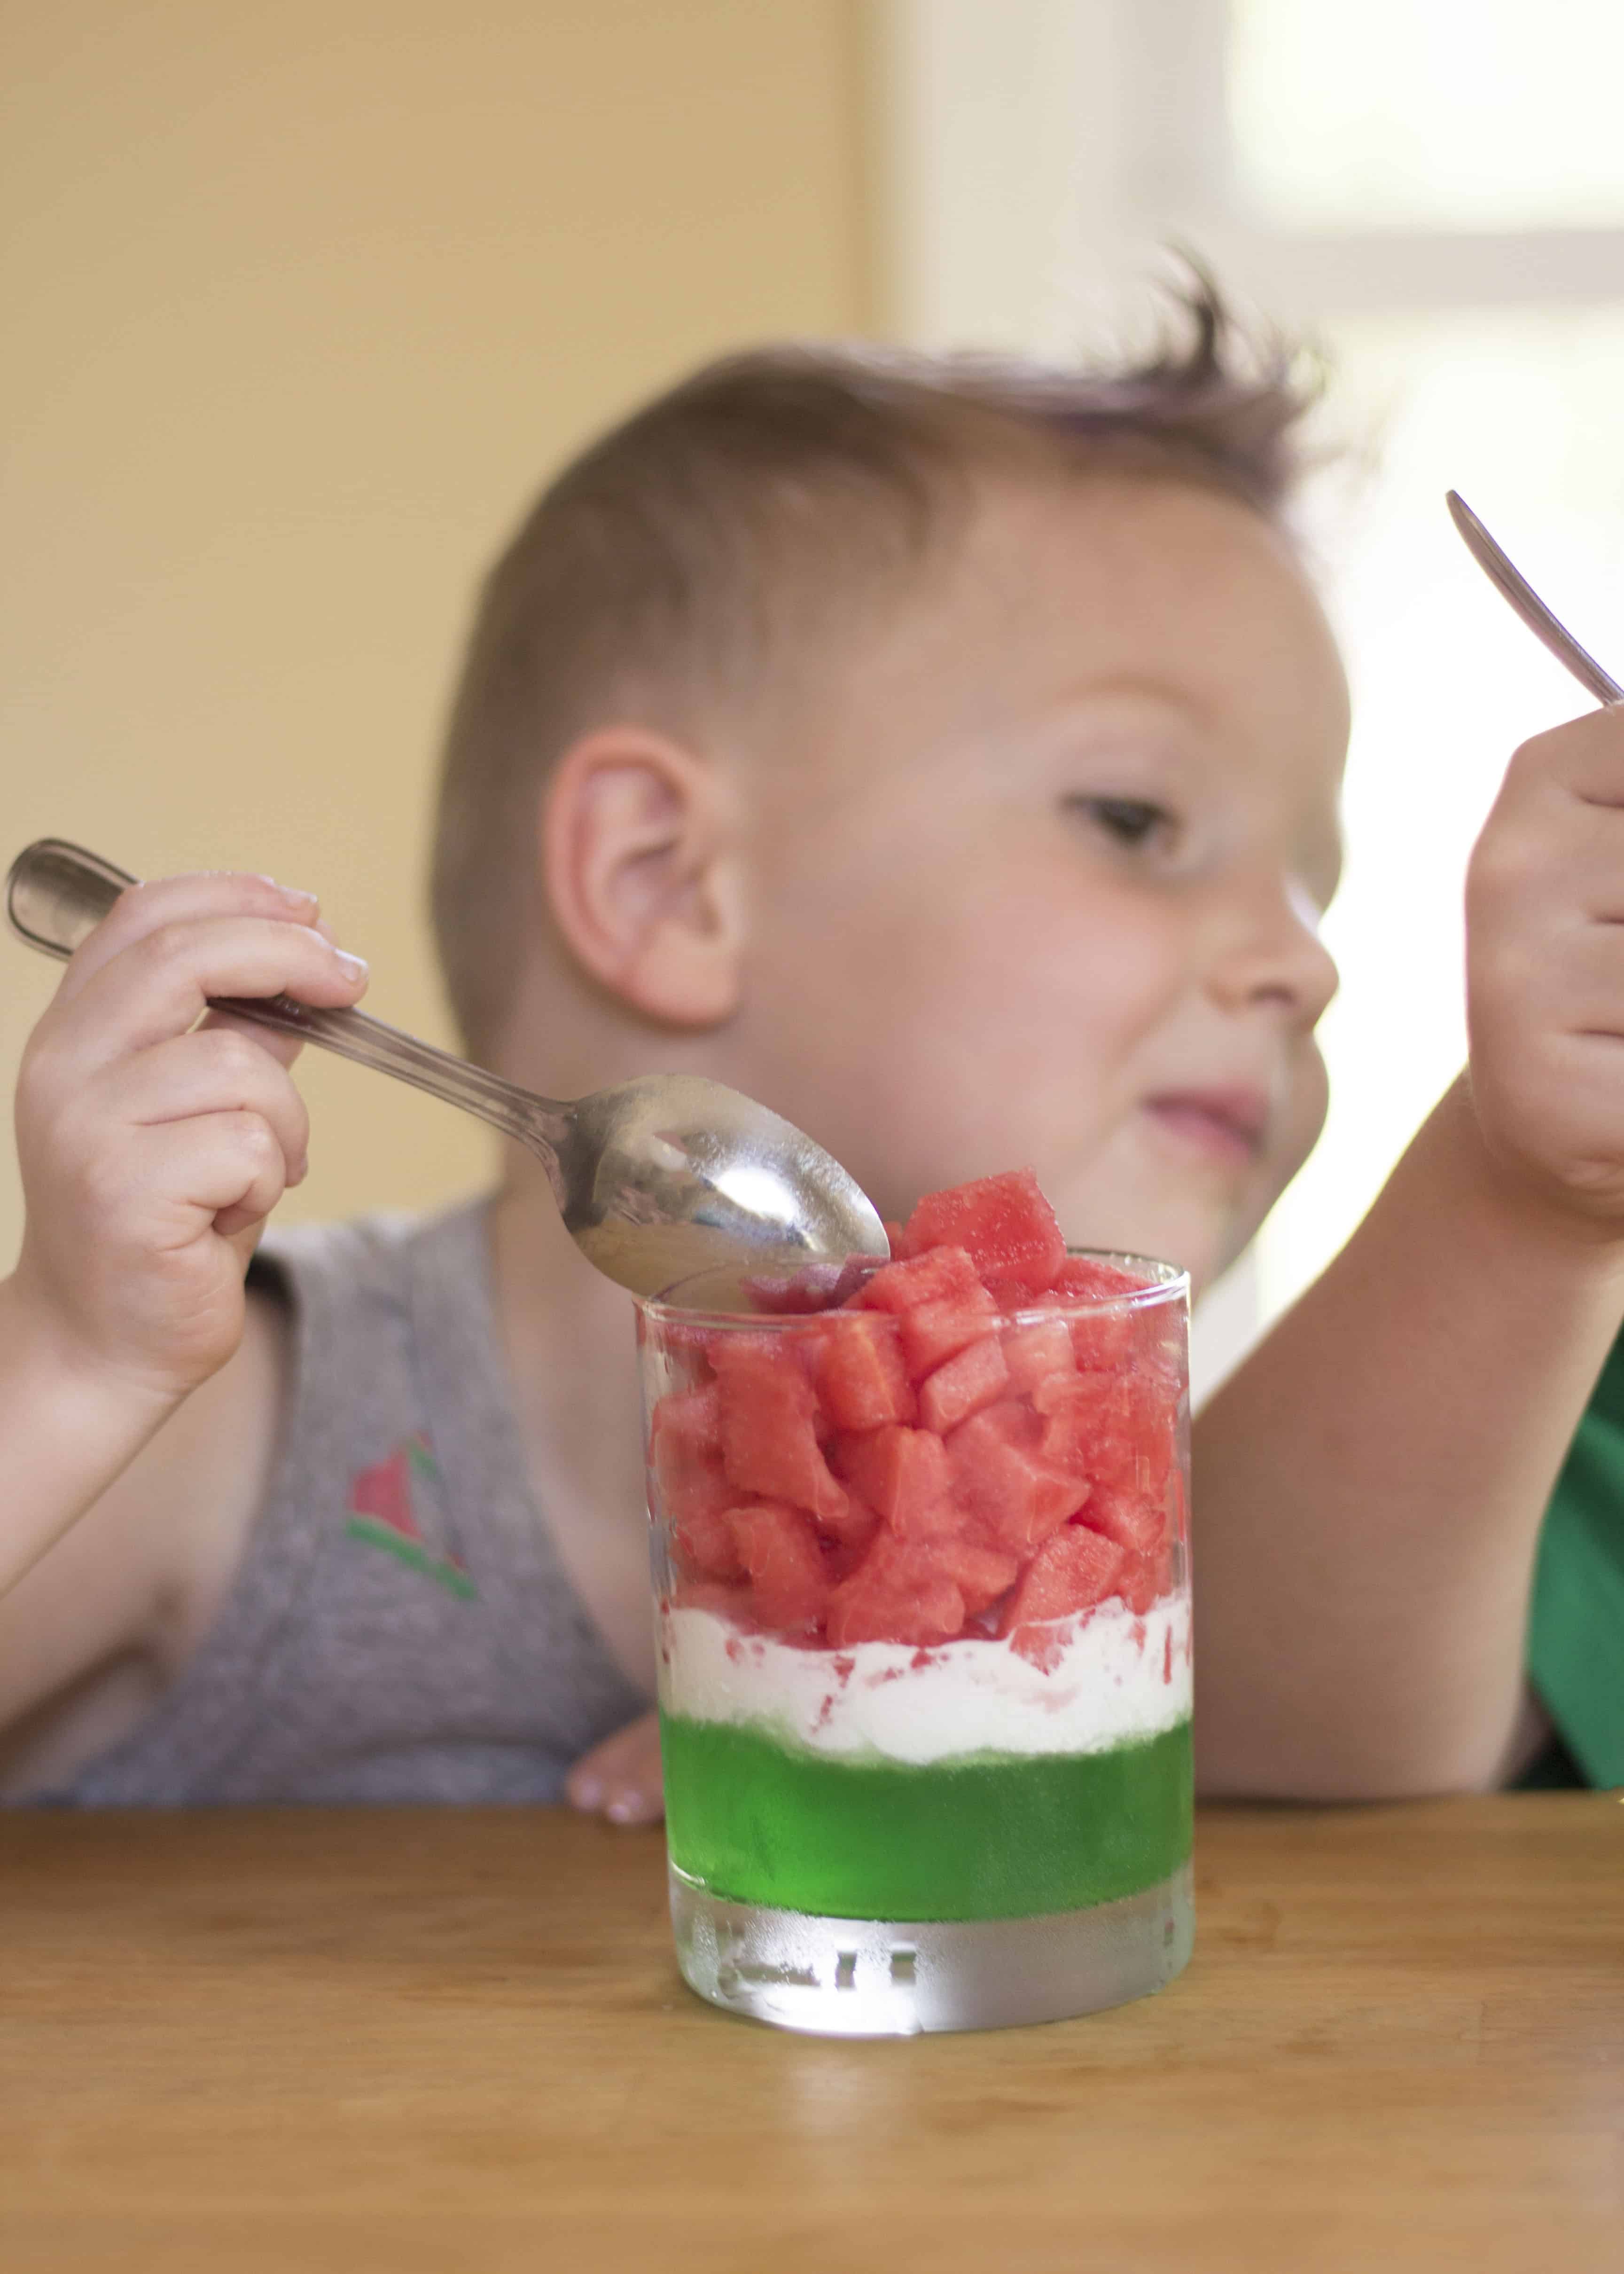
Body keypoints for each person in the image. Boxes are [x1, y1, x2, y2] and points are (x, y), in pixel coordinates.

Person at [2, 282, 1619, 1812]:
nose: (1301, 966)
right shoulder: (246, 1426)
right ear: (665, 884)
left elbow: (1315, 1761)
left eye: (1313, 888)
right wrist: (73, 1361)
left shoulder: (1072, 1526)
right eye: (1136, 821)